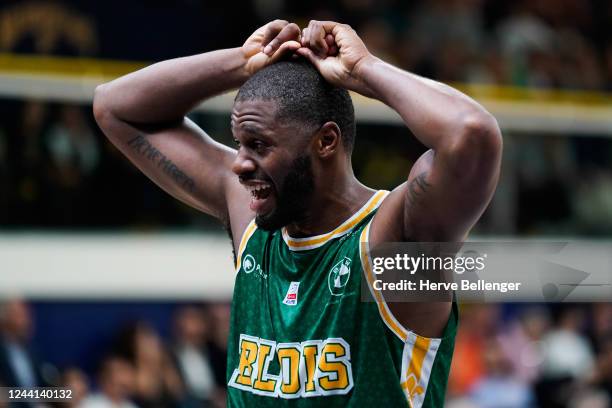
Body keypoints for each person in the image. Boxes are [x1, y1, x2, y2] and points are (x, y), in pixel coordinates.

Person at [94, 19, 501, 407]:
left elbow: (471, 133)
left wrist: (364, 70)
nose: (239, 163)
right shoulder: (253, 221)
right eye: (238, 144)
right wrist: (244, 61)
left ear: (325, 141)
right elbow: (113, 105)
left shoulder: (393, 241)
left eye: (259, 145)